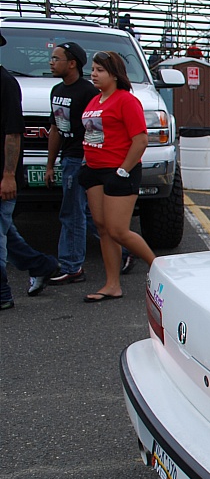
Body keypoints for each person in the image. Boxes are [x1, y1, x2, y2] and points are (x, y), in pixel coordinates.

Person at [78, 51, 157, 302]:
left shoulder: (126, 100)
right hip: (94, 171)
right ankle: (112, 284)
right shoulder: (95, 100)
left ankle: (160, 268)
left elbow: (140, 140)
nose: (93, 74)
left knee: (118, 230)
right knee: (103, 228)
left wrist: (123, 170)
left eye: (100, 70)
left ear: (114, 74)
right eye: (93, 69)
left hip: (120, 171)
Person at [1, 32, 60, 309]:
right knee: (6, 232)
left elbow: (13, 133)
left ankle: (2, 294)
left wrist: (8, 175)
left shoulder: (6, 83)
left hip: (2, 176)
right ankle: (41, 265)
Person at [41, 41, 99, 288]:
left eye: (56, 59)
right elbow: (55, 128)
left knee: (71, 213)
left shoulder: (88, 92)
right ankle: (124, 249)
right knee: (87, 213)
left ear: (72, 63)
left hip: (80, 158)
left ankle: (72, 266)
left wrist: (88, 161)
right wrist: (50, 164)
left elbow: (96, 129)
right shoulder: (56, 91)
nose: (51, 63)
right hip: (66, 158)